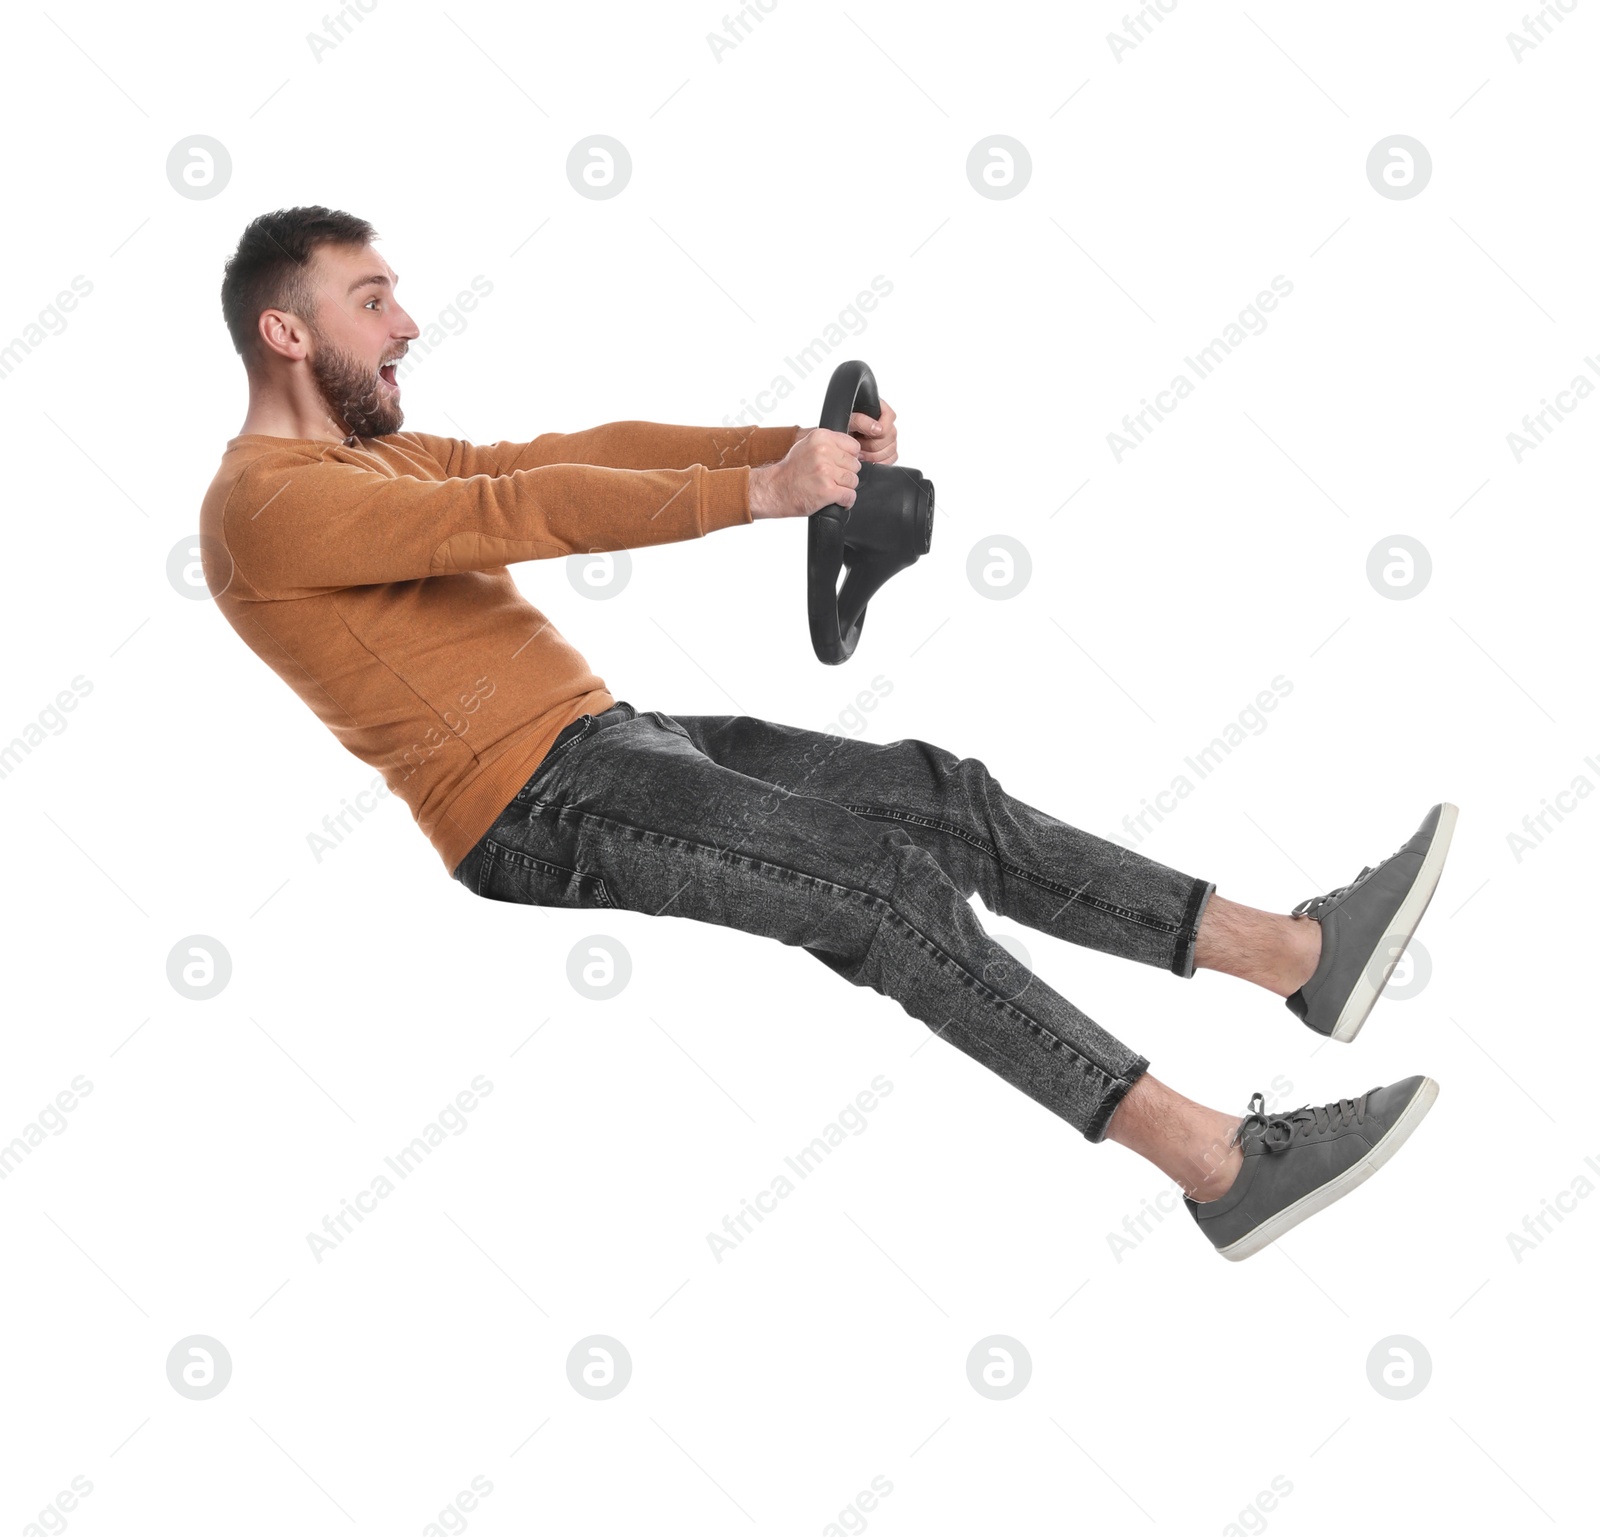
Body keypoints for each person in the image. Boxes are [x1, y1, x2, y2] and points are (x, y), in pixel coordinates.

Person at [200, 206, 1456, 1263]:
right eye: (373, 301)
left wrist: (798, 455)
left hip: (601, 741)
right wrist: (758, 497)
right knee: (873, 886)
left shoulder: (384, 460)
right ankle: (1218, 1163)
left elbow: (571, 452)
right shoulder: (263, 505)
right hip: (527, 806)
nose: (408, 321)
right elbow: (524, 510)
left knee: (936, 797)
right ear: (288, 330)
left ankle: (1299, 956)